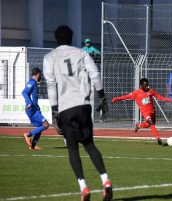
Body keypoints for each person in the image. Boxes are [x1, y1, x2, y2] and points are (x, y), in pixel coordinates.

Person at [43, 25, 112, 201]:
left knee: (72, 148)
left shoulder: (49, 57)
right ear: (71, 39)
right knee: (89, 144)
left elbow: (51, 85)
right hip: (83, 104)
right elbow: (94, 74)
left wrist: (54, 111)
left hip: (66, 107)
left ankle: (83, 187)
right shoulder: (81, 52)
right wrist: (102, 96)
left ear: (56, 40)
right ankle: (106, 180)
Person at [111, 78, 172, 145]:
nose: (146, 87)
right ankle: (158, 138)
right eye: (145, 85)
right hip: (145, 112)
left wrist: (168, 99)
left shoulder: (150, 91)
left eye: (147, 85)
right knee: (151, 122)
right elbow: (125, 97)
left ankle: (139, 125)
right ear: (141, 85)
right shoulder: (136, 93)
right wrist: (115, 99)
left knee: (148, 125)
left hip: (152, 111)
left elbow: (159, 97)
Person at [22, 68, 49, 150]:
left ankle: (33, 145)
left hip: (35, 108)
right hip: (32, 109)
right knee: (46, 125)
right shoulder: (32, 82)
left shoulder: (34, 83)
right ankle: (28, 135)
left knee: (40, 126)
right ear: (38, 74)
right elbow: (24, 92)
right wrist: (29, 102)